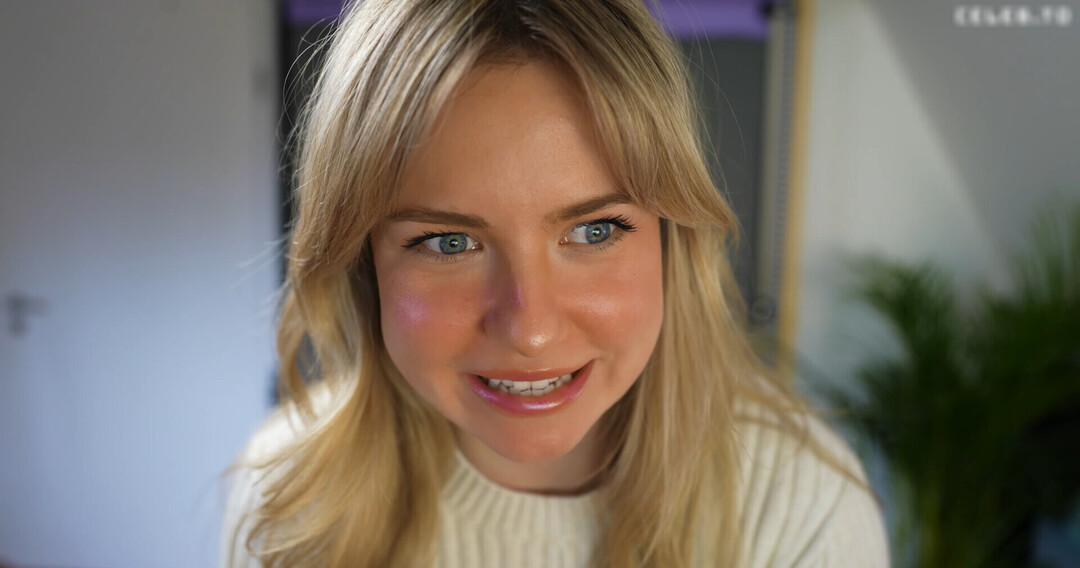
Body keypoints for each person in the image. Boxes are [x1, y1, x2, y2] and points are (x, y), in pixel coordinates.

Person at [220, 0, 890, 566]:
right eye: (450, 243)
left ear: (672, 237)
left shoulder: (800, 508)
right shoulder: (292, 496)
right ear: (363, 261)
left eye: (594, 231)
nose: (531, 329)